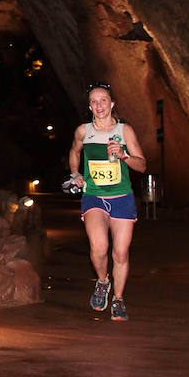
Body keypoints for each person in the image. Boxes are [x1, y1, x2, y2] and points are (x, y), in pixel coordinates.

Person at [68, 82, 146, 321]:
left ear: (112, 104)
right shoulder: (83, 131)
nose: (99, 105)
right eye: (94, 101)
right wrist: (75, 174)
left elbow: (142, 165)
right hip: (94, 196)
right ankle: (103, 281)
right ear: (89, 106)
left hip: (122, 196)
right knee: (99, 247)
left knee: (120, 253)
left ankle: (119, 299)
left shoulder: (125, 131)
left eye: (103, 100)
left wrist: (123, 156)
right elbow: (74, 151)